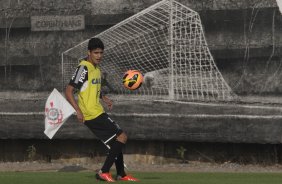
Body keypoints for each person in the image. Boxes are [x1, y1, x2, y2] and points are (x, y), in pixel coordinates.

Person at [65, 37, 139, 182]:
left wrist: (103, 97)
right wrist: (78, 111)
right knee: (122, 137)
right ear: (89, 52)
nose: (99, 56)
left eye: (101, 53)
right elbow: (68, 91)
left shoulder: (96, 69)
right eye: (96, 53)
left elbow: (92, 87)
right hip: (91, 114)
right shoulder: (83, 68)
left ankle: (121, 174)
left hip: (97, 111)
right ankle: (103, 171)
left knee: (116, 143)